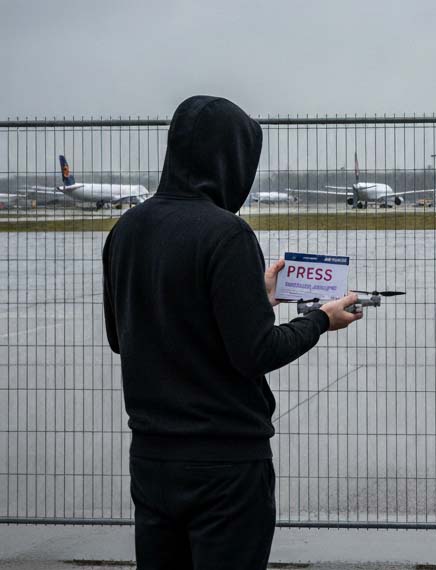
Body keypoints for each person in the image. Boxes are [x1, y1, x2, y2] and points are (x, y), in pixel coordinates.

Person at [102, 95, 362, 570]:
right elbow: (256, 351)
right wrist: (321, 319)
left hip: (152, 461)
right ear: (232, 159)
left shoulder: (126, 229)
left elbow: (126, 337)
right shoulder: (228, 234)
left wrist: (252, 299)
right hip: (225, 465)